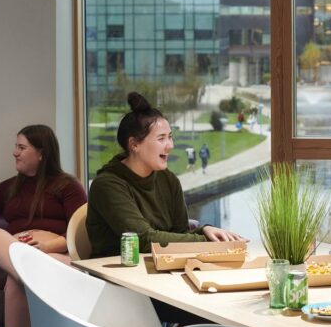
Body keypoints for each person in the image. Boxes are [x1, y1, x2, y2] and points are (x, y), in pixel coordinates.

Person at [0, 125, 87, 327]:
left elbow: (81, 233)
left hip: (53, 256)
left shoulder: (67, 186)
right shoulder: (13, 186)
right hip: (11, 260)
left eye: (22, 147)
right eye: (16, 146)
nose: (15, 152)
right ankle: (27, 269)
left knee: (16, 282)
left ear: (41, 154)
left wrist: (46, 247)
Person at [87, 92, 244, 259]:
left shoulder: (167, 179)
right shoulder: (107, 185)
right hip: (116, 276)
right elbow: (143, 239)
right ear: (134, 145)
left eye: (170, 137)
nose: (170, 146)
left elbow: (180, 233)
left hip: (160, 268)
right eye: (161, 139)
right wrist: (204, 240)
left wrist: (205, 229)